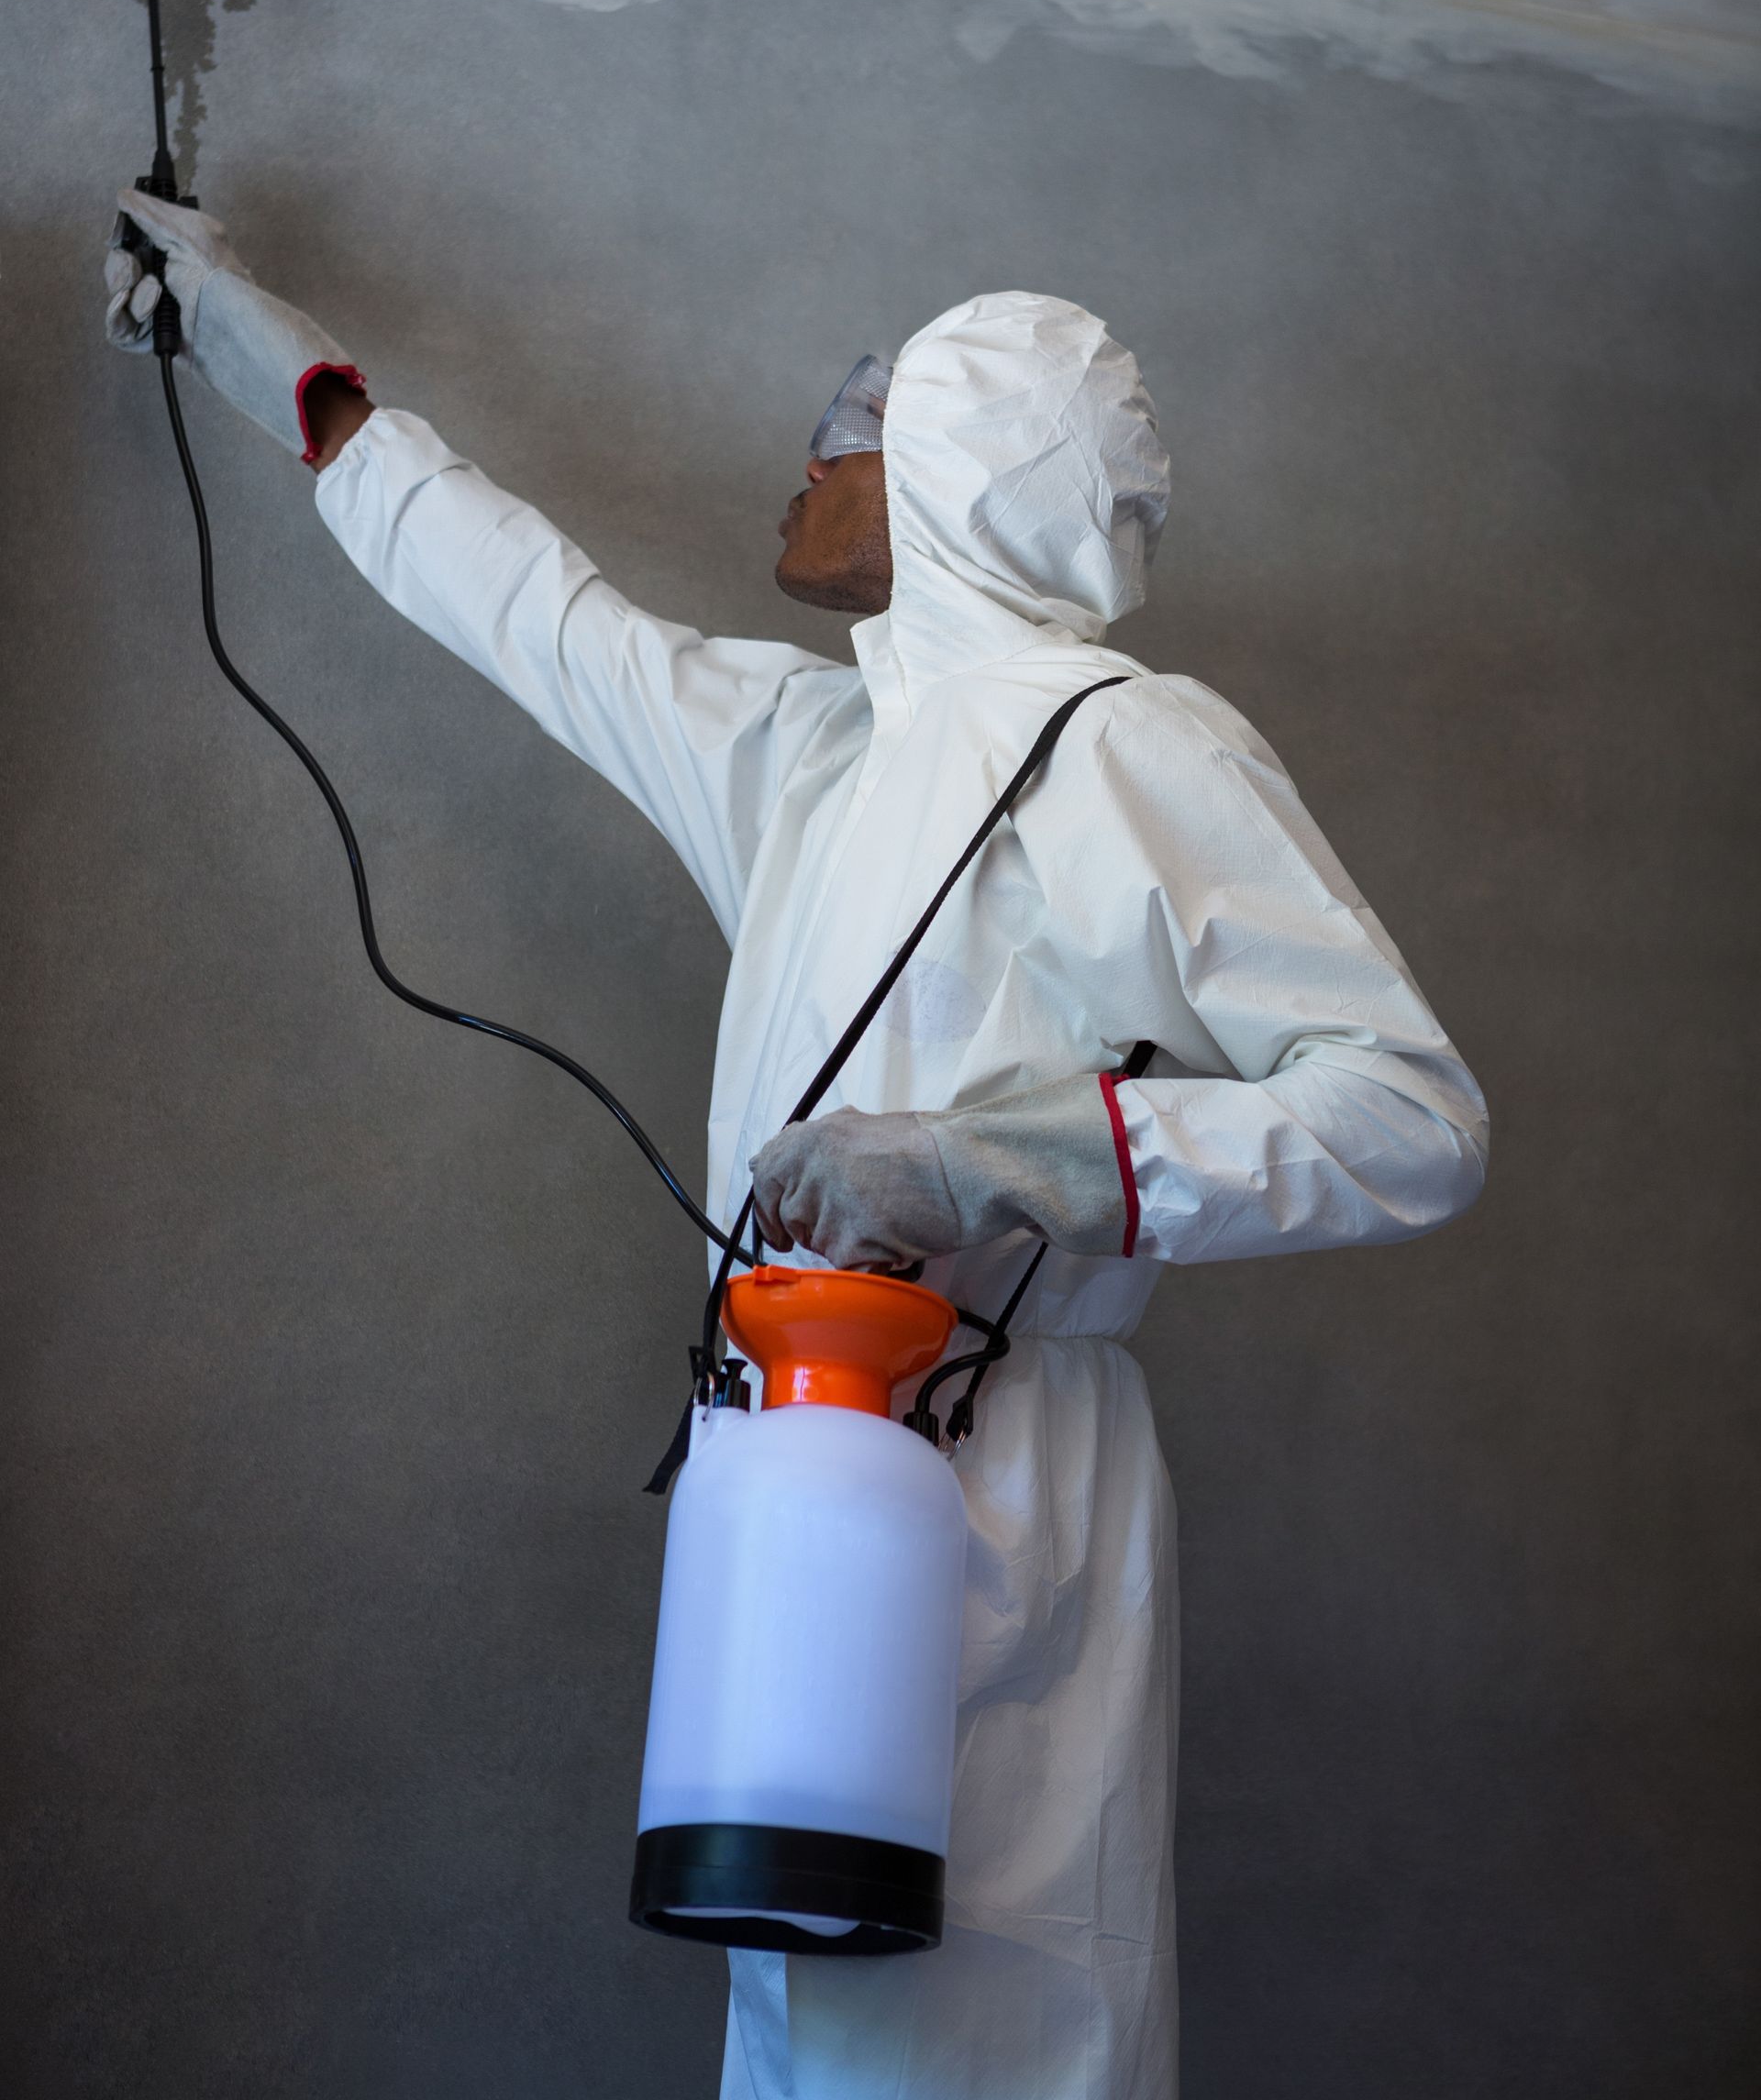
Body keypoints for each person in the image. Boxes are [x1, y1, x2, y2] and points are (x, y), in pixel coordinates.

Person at [106, 190, 1489, 2099]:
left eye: (845, 437)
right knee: (808, 2021)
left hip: (1002, 1475)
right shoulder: (811, 750)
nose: (802, 465)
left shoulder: (1129, 748)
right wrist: (282, 363)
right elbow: (536, 612)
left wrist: (1010, 1159)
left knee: (989, 2013)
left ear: (948, 478)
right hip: (797, 1466)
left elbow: (1407, 1117)